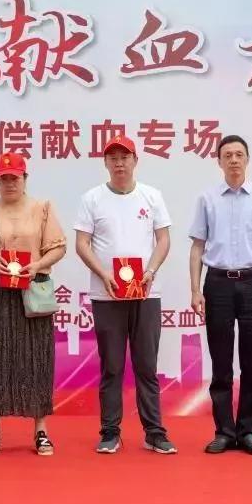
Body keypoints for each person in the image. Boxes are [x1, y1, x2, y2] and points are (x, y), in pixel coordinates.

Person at [74, 134, 177, 455]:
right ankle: (110, 432)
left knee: (147, 366)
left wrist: (150, 271)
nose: (119, 164)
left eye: (125, 157)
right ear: (106, 163)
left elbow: (163, 239)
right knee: (112, 367)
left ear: (135, 161)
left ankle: (154, 432)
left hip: (145, 294)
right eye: (113, 158)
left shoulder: (152, 196)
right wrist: (103, 273)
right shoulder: (92, 198)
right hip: (107, 296)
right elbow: (81, 244)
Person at [0, 152, 66, 456]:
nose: (9, 183)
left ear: (25, 179)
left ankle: (41, 430)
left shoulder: (42, 209)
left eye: (14, 178)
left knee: (36, 356)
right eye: (3, 178)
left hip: (32, 287)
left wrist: (38, 265)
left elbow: (59, 248)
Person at [189, 135, 252, 456]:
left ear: (247, 160)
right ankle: (224, 431)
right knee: (220, 362)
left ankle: (248, 431)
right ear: (218, 161)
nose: (233, 160)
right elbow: (197, 247)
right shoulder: (207, 199)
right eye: (227, 155)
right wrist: (195, 290)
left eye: (239, 154)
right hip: (217, 284)